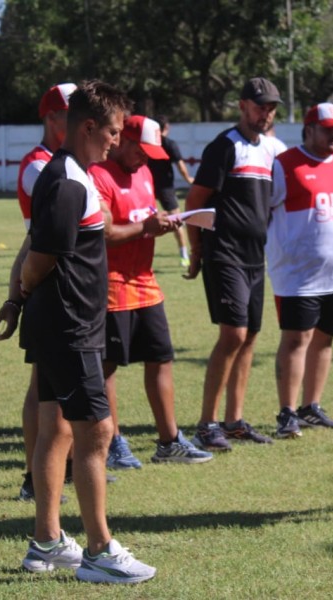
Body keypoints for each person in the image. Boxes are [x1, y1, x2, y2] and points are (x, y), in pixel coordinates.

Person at [18, 80, 155, 583]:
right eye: (113, 132)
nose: (118, 141)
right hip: (70, 328)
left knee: (56, 430)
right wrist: (21, 295)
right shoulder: (69, 181)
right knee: (97, 430)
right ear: (89, 127)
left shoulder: (73, 174)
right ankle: (99, 550)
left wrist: (17, 303)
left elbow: (35, 245)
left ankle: (47, 542)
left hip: (68, 324)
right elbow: (39, 256)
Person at [89, 115, 213, 467]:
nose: (146, 158)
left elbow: (143, 215)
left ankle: (169, 441)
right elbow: (104, 232)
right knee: (108, 367)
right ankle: (112, 443)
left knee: (161, 358)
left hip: (145, 283)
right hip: (111, 286)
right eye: (141, 150)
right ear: (120, 140)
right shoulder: (98, 175)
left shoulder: (144, 173)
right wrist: (145, 226)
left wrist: (160, 222)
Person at [184, 77, 282, 451]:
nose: (266, 114)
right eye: (260, 107)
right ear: (242, 106)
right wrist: (196, 253)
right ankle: (207, 424)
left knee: (251, 336)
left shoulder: (270, 149)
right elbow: (196, 202)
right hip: (224, 254)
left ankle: (234, 420)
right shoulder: (224, 147)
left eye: (271, 107)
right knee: (234, 335)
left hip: (255, 257)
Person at [0, 83, 77, 503]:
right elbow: (39, 239)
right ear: (51, 118)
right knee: (43, 383)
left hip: (65, 271)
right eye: (70, 113)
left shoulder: (68, 160)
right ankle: (33, 474)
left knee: (55, 383)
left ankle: (61, 466)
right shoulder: (40, 166)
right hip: (48, 272)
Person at [266, 103, 333, 439]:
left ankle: (311, 407)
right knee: (296, 339)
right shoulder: (285, 164)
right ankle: (287, 413)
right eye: (328, 128)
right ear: (309, 129)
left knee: (325, 339)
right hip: (297, 274)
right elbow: (266, 211)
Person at [150, 115, 194, 267]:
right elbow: (180, 166)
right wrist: (188, 179)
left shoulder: (149, 144)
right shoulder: (170, 144)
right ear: (166, 128)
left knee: (143, 221)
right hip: (166, 188)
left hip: (148, 186)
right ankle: (184, 255)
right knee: (176, 221)